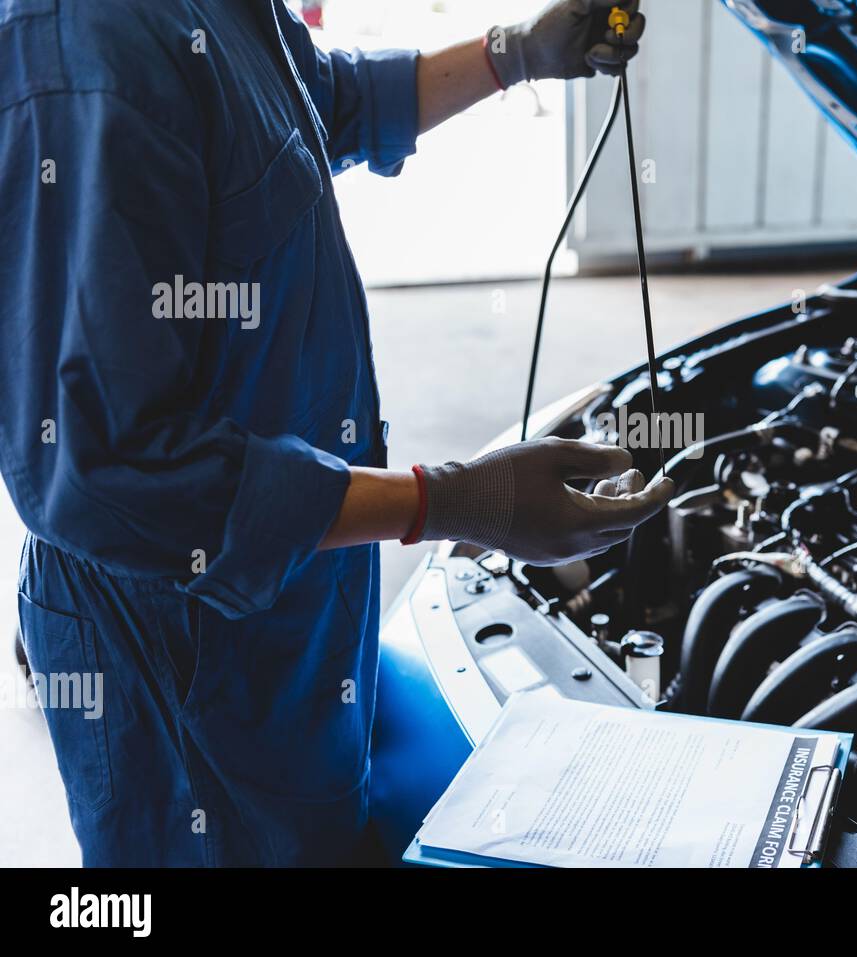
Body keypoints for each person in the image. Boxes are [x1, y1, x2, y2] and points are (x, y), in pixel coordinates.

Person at [0, 0, 661, 865]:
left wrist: (516, 55)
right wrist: (456, 500)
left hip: (296, 600)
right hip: (178, 645)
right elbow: (102, 471)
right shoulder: (89, 54)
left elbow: (322, 101)